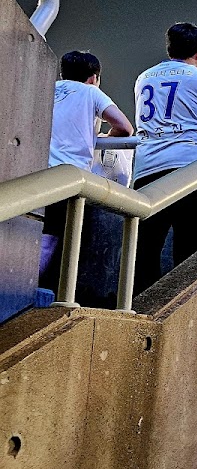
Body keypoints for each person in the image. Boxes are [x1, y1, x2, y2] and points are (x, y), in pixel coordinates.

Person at [132, 23, 197, 295]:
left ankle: (140, 304)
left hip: (146, 166)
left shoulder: (144, 77)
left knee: (145, 247)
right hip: (189, 168)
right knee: (192, 247)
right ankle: (184, 303)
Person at [41, 51, 134, 291]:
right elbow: (125, 127)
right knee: (63, 241)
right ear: (94, 78)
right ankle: (43, 293)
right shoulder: (91, 92)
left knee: (41, 235)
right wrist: (105, 136)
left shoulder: (46, 89)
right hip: (69, 177)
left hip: (37, 173)